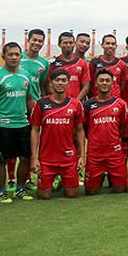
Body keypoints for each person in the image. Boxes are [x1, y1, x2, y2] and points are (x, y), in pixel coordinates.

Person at [0, 42, 35, 203]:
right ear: (3, 56)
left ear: (21, 56)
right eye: (10, 54)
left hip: (22, 124)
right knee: (2, 159)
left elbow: (29, 99)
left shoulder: (25, 75)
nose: (14, 57)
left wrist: (35, 120)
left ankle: (20, 189)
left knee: (25, 158)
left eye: (17, 54)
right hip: (2, 124)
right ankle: (2, 191)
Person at [30, 69, 86, 199]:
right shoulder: (41, 104)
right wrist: (34, 158)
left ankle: (63, 180)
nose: (60, 83)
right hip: (47, 159)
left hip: (68, 158)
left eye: (63, 80)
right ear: (51, 84)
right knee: (44, 196)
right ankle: (52, 180)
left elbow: (80, 130)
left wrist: (82, 156)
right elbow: (35, 130)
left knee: (72, 194)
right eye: (57, 80)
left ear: (68, 84)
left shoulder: (76, 104)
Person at [82, 69, 128, 194]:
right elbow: (84, 127)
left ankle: (110, 175)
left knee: (120, 189)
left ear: (112, 84)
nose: (104, 83)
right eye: (101, 80)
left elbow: (124, 126)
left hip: (114, 151)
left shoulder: (120, 104)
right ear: (96, 84)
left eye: (107, 80)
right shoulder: (88, 105)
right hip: (95, 152)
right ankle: (100, 176)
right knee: (91, 191)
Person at [50, 31, 91, 100]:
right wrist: (58, 100)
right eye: (65, 43)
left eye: (70, 43)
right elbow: (49, 84)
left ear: (74, 44)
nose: (68, 45)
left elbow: (86, 86)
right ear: (59, 44)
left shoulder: (82, 63)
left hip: (76, 103)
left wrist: (75, 102)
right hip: (58, 104)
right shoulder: (54, 63)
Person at [89, 34, 125, 98]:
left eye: (113, 44)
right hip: (98, 100)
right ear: (102, 45)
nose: (110, 46)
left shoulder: (122, 64)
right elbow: (91, 83)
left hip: (115, 101)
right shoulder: (94, 62)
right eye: (107, 43)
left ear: (116, 46)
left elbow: (122, 85)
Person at [21, 28, 49, 101]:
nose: (37, 43)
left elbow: (42, 85)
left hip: (35, 103)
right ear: (28, 40)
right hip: (17, 103)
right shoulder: (18, 58)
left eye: (40, 41)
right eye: (34, 40)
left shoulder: (44, 63)